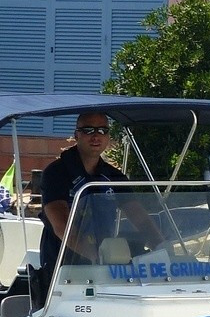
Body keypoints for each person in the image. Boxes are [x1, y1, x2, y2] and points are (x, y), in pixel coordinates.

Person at [37, 113, 160, 292]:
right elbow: (61, 224)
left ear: (108, 136)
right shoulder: (56, 172)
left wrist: (162, 245)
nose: (96, 136)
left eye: (102, 130)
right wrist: (95, 256)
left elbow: (139, 216)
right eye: (88, 130)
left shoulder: (113, 176)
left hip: (105, 265)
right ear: (76, 134)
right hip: (63, 264)